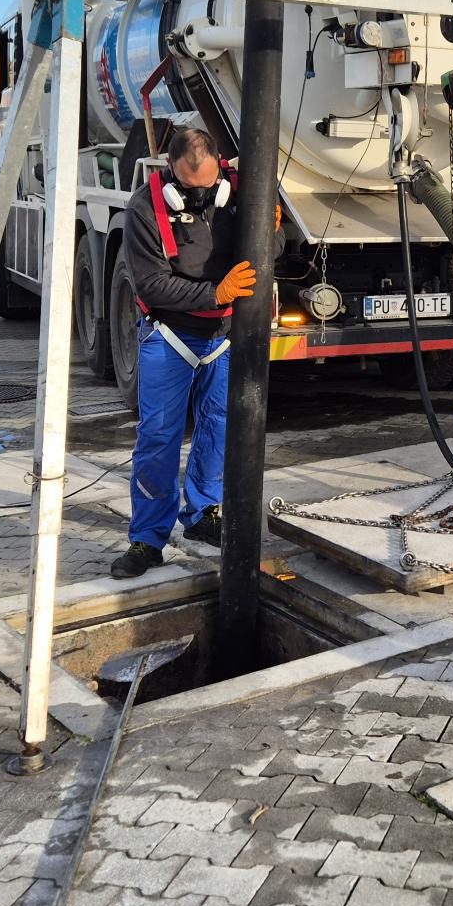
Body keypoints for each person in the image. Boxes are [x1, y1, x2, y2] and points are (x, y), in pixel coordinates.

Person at [111, 127, 260, 580]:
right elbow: (152, 284)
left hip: (223, 336)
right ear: (169, 171)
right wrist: (215, 293)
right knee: (158, 435)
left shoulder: (239, 197)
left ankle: (203, 514)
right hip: (170, 334)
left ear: (221, 166)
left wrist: (269, 226)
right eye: (189, 189)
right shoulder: (143, 209)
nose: (199, 198)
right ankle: (147, 539)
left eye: (208, 187)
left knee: (218, 428)